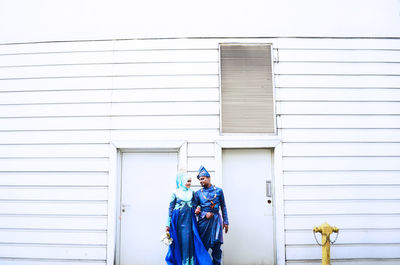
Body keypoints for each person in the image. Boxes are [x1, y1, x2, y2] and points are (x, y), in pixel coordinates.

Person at [165, 171, 212, 265]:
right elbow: (170, 208)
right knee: (177, 242)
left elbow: (196, 205)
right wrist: (168, 224)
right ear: (182, 181)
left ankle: (187, 263)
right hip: (177, 221)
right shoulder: (175, 192)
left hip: (189, 221)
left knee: (187, 242)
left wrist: (198, 207)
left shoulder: (192, 192)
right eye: (188, 181)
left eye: (190, 181)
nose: (190, 183)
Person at [194, 165, 229, 265]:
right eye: (200, 180)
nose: (201, 181)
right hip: (203, 224)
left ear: (209, 178)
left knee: (217, 248)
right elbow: (194, 209)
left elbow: (223, 207)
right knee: (203, 247)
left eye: (203, 179)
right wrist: (204, 214)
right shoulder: (198, 193)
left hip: (216, 222)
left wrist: (226, 222)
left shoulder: (218, 191)